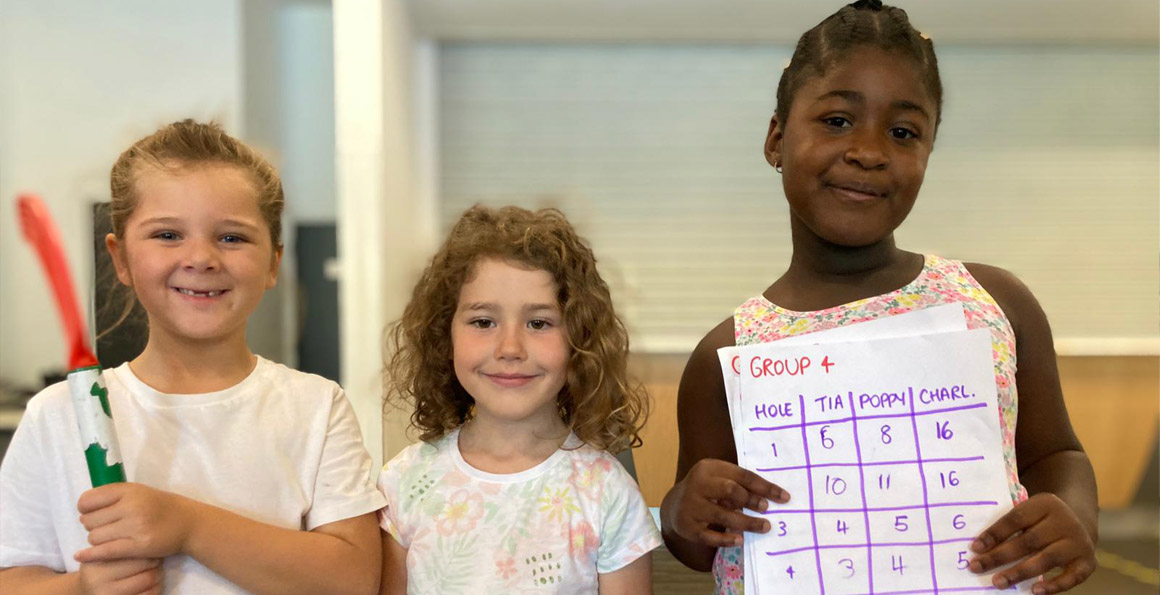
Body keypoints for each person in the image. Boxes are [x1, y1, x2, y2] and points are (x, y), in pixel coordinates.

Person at [658, 3, 1099, 594]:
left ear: (928, 153)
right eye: (837, 120)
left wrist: (1078, 518)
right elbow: (696, 545)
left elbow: (1057, 454)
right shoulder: (728, 352)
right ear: (776, 139)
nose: (869, 151)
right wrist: (680, 509)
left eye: (902, 132)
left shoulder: (996, 303)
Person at [0, 120, 385, 595]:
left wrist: (187, 525)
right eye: (166, 235)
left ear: (273, 263)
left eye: (231, 238)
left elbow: (355, 579)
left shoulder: (317, 406)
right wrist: (80, 588)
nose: (200, 258)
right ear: (120, 259)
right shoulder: (54, 417)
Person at [377, 205, 661, 594]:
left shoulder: (607, 492)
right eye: (483, 322)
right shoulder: (403, 483)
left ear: (579, 338)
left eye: (539, 323)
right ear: (446, 336)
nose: (510, 347)